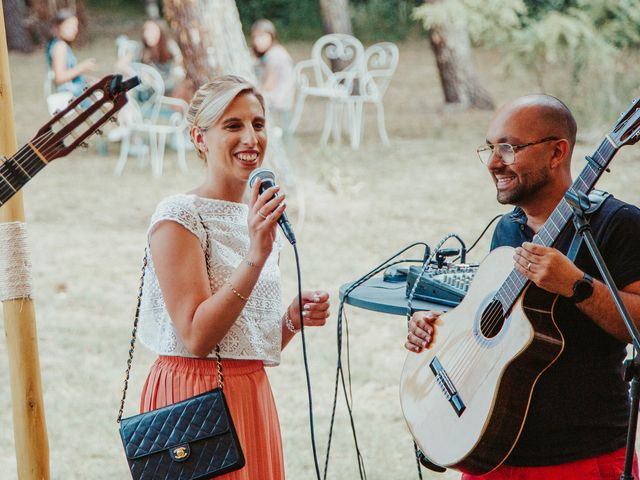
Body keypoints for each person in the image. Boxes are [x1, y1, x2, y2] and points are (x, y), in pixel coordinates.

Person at [406, 94, 640, 479]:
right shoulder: (508, 229)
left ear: (556, 153)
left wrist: (578, 286)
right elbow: (498, 326)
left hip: (579, 457)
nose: (495, 162)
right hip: (490, 451)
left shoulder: (618, 224)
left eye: (509, 148)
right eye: (491, 148)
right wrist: (439, 329)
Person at [136, 75, 330, 479]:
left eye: (258, 124)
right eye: (233, 125)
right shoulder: (179, 217)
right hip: (192, 400)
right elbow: (197, 336)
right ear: (199, 137)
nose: (251, 138)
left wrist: (291, 320)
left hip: (251, 393)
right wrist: (255, 255)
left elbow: (243, 343)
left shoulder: (255, 217)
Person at [250, 19, 295, 136]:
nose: (257, 41)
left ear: (271, 36)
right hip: (280, 96)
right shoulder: (272, 52)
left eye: (262, 37)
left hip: (278, 98)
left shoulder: (274, 55)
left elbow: (269, 85)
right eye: (255, 37)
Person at [139, 19, 193, 103]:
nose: (147, 34)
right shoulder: (143, 49)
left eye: (152, 30)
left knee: (184, 80)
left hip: (170, 84)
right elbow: (125, 65)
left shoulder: (169, 46)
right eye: (146, 30)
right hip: (152, 88)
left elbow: (180, 63)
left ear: (161, 32)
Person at [46, 9, 97, 98]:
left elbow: (71, 75)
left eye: (75, 26)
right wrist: (82, 66)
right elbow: (59, 78)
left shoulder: (61, 45)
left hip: (77, 91)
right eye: (69, 26)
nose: (74, 30)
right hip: (72, 96)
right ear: (58, 26)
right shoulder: (59, 47)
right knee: (114, 101)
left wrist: (87, 79)